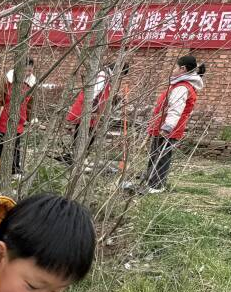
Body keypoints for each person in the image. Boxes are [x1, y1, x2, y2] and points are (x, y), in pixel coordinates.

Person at [132, 55, 205, 194]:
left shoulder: (182, 87)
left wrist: (167, 127)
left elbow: (175, 110)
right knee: (156, 155)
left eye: (176, 67)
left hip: (167, 128)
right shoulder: (179, 85)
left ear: (183, 69)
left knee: (161, 157)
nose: (173, 69)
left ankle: (156, 185)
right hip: (162, 126)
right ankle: (150, 179)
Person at [62, 62, 130, 164]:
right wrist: (92, 110)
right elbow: (93, 94)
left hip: (91, 110)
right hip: (87, 109)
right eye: (121, 75)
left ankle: (76, 157)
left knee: (86, 133)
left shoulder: (107, 77)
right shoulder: (102, 76)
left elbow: (106, 95)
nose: (119, 77)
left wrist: (119, 100)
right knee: (85, 134)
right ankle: (75, 158)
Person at [0, 59, 36, 177]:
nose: (28, 73)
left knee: (15, 146)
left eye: (30, 70)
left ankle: (14, 170)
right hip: (3, 118)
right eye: (26, 70)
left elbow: (30, 104)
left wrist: (31, 118)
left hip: (18, 120)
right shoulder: (8, 80)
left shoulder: (31, 84)